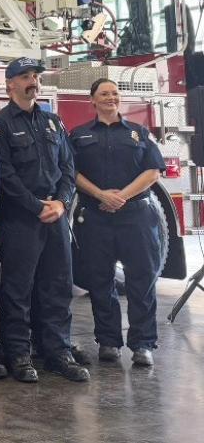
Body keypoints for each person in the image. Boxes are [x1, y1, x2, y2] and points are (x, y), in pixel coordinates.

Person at [0, 58, 88, 383]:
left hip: (55, 216)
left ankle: (57, 351)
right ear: (10, 84)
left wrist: (61, 203)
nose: (33, 81)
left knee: (58, 286)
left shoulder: (53, 122)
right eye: (25, 76)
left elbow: (68, 168)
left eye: (36, 76)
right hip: (20, 218)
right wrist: (36, 206)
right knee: (18, 289)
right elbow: (3, 175)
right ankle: (17, 353)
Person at [70, 78, 164, 367]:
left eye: (114, 93)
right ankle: (108, 341)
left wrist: (120, 197)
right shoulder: (79, 135)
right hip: (95, 217)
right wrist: (101, 195)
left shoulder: (139, 132)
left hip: (136, 217)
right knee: (99, 281)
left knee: (142, 281)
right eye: (104, 94)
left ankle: (143, 344)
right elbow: (70, 172)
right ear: (92, 100)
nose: (111, 97)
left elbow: (153, 171)